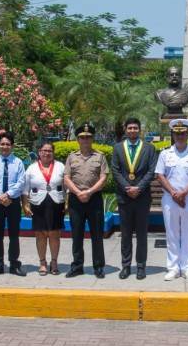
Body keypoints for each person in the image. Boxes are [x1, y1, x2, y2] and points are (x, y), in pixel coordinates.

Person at [155, 118, 188, 281]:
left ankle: (187, 268)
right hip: (170, 199)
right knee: (172, 234)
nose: (180, 136)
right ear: (173, 135)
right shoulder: (165, 153)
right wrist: (174, 193)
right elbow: (159, 175)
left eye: (183, 133)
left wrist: (183, 193)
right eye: (177, 134)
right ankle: (173, 268)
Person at [111, 117, 157, 280]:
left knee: (142, 234)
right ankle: (125, 266)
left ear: (139, 130)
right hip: (125, 197)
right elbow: (115, 171)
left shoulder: (149, 148)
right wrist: (127, 188)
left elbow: (152, 171)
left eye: (135, 128)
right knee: (125, 234)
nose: (132, 131)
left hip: (142, 197)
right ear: (125, 130)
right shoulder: (117, 148)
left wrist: (139, 187)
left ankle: (140, 266)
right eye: (129, 128)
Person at [64, 122, 109, 278]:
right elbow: (67, 178)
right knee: (76, 234)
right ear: (78, 139)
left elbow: (103, 178)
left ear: (92, 139)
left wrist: (89, 192)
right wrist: (78, 192)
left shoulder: (100, 156)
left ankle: (98, 266)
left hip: (94, 198)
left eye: (88, 137)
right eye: (82, 137)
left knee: (97, 234)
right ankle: (77, 266)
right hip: (76, 200)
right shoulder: (71, 157)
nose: (85, 140)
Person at [0, 131, 26, 277]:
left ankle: (14, 264)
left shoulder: (18, 162)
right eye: (2, 144)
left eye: (8, 144)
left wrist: (7, 195)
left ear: (12, 146)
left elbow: (21, 182)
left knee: (14, 234)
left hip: (13, 202)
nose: (5, 146)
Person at [22, 141, 65, 275]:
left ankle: (54, 262)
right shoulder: (32, 168)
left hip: (56, 202)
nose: (47, 153)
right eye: (44, 150)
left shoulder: (60, 166)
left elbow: (67, 187)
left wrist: (68, 203)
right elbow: (25, 189)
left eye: (49, 151)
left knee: (54, 234)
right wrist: (25, 204)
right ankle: (42, 262)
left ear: (53, 153)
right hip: (37, 203)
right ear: (39, 152)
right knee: (40, 234)